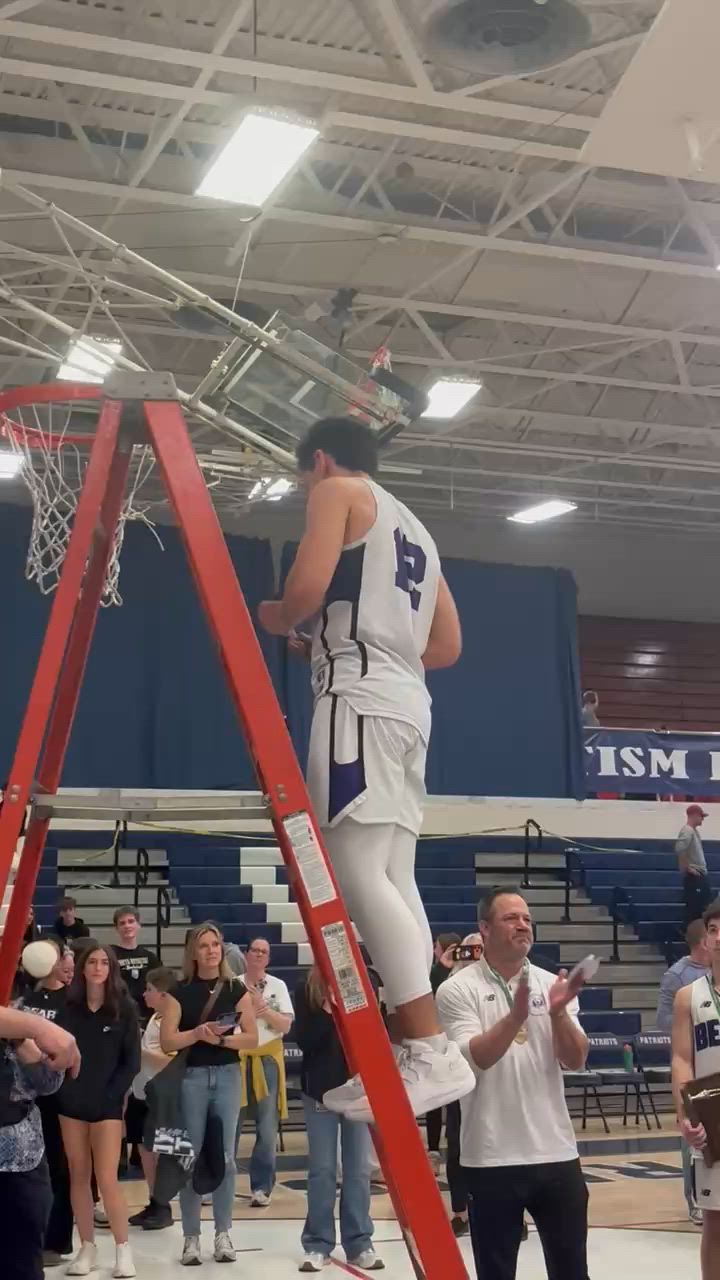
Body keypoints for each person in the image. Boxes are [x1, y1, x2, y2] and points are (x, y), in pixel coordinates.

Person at [258, 416, 473, 1122]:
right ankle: (422, 1051)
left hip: (357, 697)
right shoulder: (418, 529)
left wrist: (279, 616)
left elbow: (305, 590)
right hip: (411, 705)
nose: (304, 493)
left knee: (353, 872)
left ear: (319, 460)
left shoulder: (337, 491)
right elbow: (445, 646)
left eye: (302, 480)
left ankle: (428, 1048)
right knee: (392, 876)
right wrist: (339, 633)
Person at [437, 888, 590, 1280]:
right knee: (497, 1272)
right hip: (491, 1157)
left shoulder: (550, 983)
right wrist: (515, 1017)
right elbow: (477, 1060)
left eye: (526, 918)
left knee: (572, 1271)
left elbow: (575, 1059)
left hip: (556, 1151)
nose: (523, 925)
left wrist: (557, 1014)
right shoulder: (457, 988)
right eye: (511, 918)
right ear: (484, 928)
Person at [160, 922, 258, 1267]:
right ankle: (190, 1237)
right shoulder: (179, 990)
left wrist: (221, 1039)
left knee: (226, 1158)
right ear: (193, 952)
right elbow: (167, 1041)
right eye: (204, 945)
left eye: (215, 944)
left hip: (229, 1075)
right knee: (192, 1156)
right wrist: (198, 1034)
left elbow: (252, 1038)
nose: (212, 950)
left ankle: (223, 1233)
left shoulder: (235, 988)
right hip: (192, 1079)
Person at [56, 943, 141, 1278]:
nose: (97, 967)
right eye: (91, 962)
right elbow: (56, 1054)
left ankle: (123, 1249)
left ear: (111, 968)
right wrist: (65, 1089)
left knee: (107, 1178)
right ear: (82, 968)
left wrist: (112, 1097)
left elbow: (130, 1062)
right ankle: (86, 1247)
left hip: (106, 1105)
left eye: (104, 962)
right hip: (72, 1103)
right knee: (79, 1175)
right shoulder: (69, 1007)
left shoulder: (125, 1008)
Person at [294, 965, 383, 1272]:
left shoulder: (365, 979)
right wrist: (328, 1011)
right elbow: (304, 1040)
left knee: (358, 1169)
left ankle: (359, 1241)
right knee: (323, 1169)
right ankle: (318, 1243)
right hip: (320, 1089)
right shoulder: (306, 986)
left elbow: (374, 1030)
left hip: (357, 1088)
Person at [672, 898, 720, 1279]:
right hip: (713, 1121)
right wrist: (685, 1113)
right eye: (714, 930)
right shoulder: (688, 996)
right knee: (715, 1223)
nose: (719, 937)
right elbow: (682, 1060)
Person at [20, 937, 76, 1265]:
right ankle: (32, 1236)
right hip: (27, 1093)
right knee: (33, 1168)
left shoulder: (71, 999)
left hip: (61, 1092)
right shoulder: (25, 998)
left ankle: (57, 1240)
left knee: (59, 1165)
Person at [0, 1013, 66, 1280]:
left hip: (21, 1158)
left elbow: (50, 1083)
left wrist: (21, 1039)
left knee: (23, 1261)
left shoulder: (23, 1022)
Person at [657, 919, 711, 1225]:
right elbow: (665, 1021)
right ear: (703, 940)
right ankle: (693, 1198)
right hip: (693, 1059)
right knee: (692, 1132)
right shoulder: (677, 976)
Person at [236, 936, 294, 1207]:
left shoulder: (278, 986)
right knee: (228, 1126)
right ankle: (217, 1183)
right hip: (236, 1059)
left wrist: (263, 1008)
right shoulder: (232, 984)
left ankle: (261, 1187)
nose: (259, 954)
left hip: (267, 1060)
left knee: (267, 1128)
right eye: (254, 950)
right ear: (246, 954)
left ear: (268, 958)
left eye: (264, 951)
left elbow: (285, 1026)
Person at [127, 966, 177, 1232]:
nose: (144, 995)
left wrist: (142, 1054)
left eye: (150, 990)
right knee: (145, 1151)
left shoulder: (175, 1023)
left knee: (160, 1152)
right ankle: (154, 1200)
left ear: (164, 995)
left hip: (160, 1094)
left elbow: (175, 1062)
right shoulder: (155, 1019)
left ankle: (164, 1204)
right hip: (141, 1091)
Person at [111, 907, 159, 1174]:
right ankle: (118, 1149)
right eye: (122, 922)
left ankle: (141, 1148)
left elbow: (160, 992)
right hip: (120, 1029)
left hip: (146, 1030)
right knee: (121, 1094)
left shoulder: (150, 957)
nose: (127, 926)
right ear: (116, 928)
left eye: (131, 921)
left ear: (139, 925)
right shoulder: (112, 956)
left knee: (143, 1092)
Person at [426, 933, 461, 1176]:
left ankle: (458, 1148)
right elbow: (429, 997)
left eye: (437, 946)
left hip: (459, 1043)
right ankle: (433, 1151)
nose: (434, 949)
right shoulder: (435, 973)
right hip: (439, 1041)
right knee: (436, 1101)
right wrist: (440, 969)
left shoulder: (471, 973)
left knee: (457, 1101)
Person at [677, 805, 713, 928]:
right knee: (695, 910)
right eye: (701, 816)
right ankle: (692, 935)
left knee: (700, 908)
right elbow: (680, 849)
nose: (702, 819)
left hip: (698, 875)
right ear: (694, 815)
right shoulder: (688, 830)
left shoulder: (693, 831)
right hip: (695, 876)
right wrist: (688, 868)